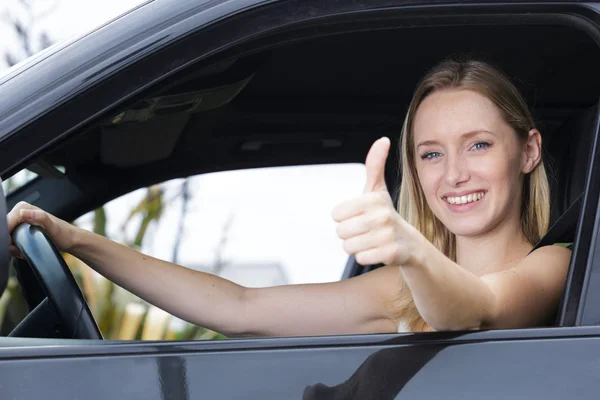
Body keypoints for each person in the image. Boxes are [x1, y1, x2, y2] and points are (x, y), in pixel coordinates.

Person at [6, 58, 571, 336]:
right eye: (430, 154)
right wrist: (75, 239)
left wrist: (411, 249)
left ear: (527, 152)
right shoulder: (401, 291)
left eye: (477, 145)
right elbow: (238, 309)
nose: (454, 175)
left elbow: (480, 309)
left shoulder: (557, 265)